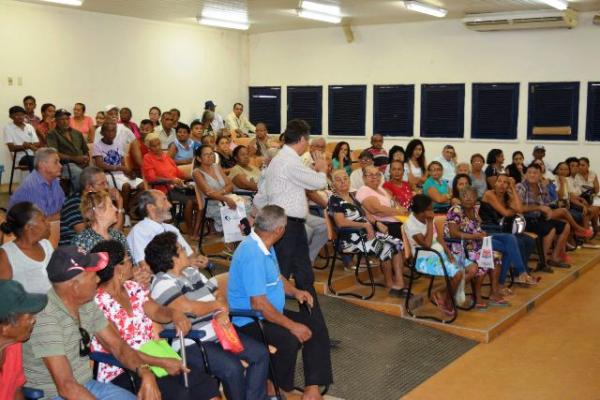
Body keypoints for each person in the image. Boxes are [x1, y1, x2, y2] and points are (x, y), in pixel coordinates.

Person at [253, 119, 333, 393]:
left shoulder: (280, 161)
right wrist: (321, 168)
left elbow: (262, 197)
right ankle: (296, 328)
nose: (308, 146)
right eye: (308, 141)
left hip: (289, 228)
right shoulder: (288, 160)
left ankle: (313, 325)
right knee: (282, 283)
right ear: (302, 139)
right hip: (287, 229)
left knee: (301, 282)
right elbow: (318, 181)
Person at [23, 246, 161, 399]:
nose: (98, 279)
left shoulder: (86, 304)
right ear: (75, 286)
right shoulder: (46, 319)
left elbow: (118, 346)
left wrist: (145, 372)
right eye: (93, 276)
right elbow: (66, 387)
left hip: (86, 385)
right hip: (54, 394)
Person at [89, 240, 220, 400]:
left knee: (206, 385)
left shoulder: (132, 288)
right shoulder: (96, 303)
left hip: (155, 354)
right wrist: (161, 362)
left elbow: (156, 311)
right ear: (119, 268)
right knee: (182, 394)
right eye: (128, 258)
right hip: (123, 369)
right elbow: (120, 350)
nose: (132, 262)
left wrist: (173, 314)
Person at [145, 232, 270, 400]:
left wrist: (220, 311)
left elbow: (219, 294)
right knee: (232, 368)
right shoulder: (162, 282)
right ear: (172, 258)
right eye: (181, 249)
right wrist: (217, 307)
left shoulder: (192, 272)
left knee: (260, 354)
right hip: (193, 341)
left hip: (221, 332)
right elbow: (188, 308)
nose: (186, 252)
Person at [228, 205, 331, 400]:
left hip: (268, 313)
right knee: (290, 339)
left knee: (315, 327)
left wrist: (295, 291)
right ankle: (275, 389)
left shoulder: (266, 245)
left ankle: (312, 388)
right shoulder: (252, 253)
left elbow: (276, 277)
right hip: (249, 320)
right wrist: (293, 326)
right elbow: (258, 304)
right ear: (279, 230)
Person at [445, 186, 537, 308]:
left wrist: (480, 234)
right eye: (464, 196)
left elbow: (476, 227)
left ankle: (495, 292)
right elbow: (453, 233)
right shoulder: (455, 210)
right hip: (461, 246)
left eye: (471, 196)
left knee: (502, 249)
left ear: (475, 198)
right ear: (460, 198)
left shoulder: (475, 208)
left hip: (477, 241)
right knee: (489, 257)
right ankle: (480, 295)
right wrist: (475, 236)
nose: (468, 199)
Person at [329, 170, 407, 296]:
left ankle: (399, 282)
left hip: (365, 235)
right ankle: (389, 283)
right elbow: (340, 222)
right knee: (386, 247)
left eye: (345, 178)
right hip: (350, 239)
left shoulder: (353, 197)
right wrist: (364, 225)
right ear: (333, 184)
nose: (343, 182)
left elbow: (366, 214)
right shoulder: (334, 200)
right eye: (339, 180)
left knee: (396, 243)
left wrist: (377, 224)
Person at [405, 194, 477, 316]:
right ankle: (448, 300)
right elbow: (427, 245)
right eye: (429, 209)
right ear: (422, 212)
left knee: (473, 268)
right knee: (457, 273)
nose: (432, 212)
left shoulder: (427, 217)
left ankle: (443, 293)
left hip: (439, 253)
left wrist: (449, 253)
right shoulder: (410, 224)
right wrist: (429, 222)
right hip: (424, 259)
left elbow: (438, 238)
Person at [127, 190, 208, 272]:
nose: (170, 205)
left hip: (184, 277)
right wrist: (186, 263)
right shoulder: (139, 232)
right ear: (151, 207)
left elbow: (190, 255)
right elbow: (146, 268)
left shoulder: (170, 228)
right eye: (164, 200)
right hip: (163, 281)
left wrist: (198, 260)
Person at [480, 174, 541, 280]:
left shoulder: (507, 196)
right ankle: (522, 272)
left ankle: (519, 272)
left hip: (503, 230)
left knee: (529, 241)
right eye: (499, 181)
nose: (502, 184)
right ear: (495, 183)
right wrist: (513, 210)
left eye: (505, 182)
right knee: (518, 242)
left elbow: (520, 209)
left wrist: (513, 188)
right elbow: (506, 213)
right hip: (488, 229)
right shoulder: (489, 194)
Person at [0, 280, 48, 400]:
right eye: (28, 316)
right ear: (5, 327)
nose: (33, 320)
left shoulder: (14, 344)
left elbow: (16, 389)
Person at [516, 164, 571, 268]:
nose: (532, 175)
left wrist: (549, 209)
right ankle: (543, 261)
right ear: (525, 174)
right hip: (524, 220)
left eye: (535, 173)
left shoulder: (542, 187)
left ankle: (554, 257)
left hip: (539, 218)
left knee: (565, 226)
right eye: (529, 172)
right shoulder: (520, 187)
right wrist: (538, 208)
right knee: (550, 229)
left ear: (540, 175)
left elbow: (546, 204)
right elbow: (519, 208)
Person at [142, 132, 195, 233]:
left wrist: (193, 176)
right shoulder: (147, 158)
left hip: (175, 186)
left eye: (159, 144)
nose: (158, 147)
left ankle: (183, 222)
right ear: (149, 147)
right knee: (189, 201)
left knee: (195, 196)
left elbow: (178, 172)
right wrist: (170, 180)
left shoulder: (165, 156)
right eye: (154, 146)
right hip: (162, 189)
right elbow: (151, 178)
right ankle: (190, 229)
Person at [93, 120, 144, 224]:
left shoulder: (118, 144)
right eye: (109, 131)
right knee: (126, 186)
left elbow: (122, 162)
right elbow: (100, 164)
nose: (112, 133)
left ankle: (128, 207)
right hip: (107, 175)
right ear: (102, 133)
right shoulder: (97, 145)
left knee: (144, 186)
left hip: (121, 174)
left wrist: (129, 173)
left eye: (114, 131)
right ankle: (124, 214)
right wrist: (120, 168)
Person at [60, 166, 124, 246]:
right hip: (75, 252)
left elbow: (117, 233)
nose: (107, 187)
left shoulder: (101, 201)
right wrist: (120, 205)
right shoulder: (74, 204)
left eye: (107, 183)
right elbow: (89, 238)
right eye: (102, 184)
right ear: (89, 187)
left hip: (100, 246)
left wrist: (119, 204)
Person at [0, 202, 52, 293]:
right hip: (28, 305)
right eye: (43, 220)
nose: (48, 224)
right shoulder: (7, 254)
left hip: (53, 301)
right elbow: (3, 294)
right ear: (29, 227)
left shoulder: (46, 244)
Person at [193, 145, 241, 232]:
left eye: (211, 154)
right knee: (234, 214)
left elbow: (230, 185)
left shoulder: (217, 167)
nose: (209, 156)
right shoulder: (197, 172)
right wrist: (225, 198)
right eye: (206, 155)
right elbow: (208, 193)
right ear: (199, 158)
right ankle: (231, 238)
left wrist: (220, 193)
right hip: (211, 203)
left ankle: (237, 238)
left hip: (225, 199)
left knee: (245, 208)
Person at [8, 147, 64, 221]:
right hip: (23, 230)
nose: (60, 166)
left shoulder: (54, 180)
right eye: (56, 162)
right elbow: (42, 221)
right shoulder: (32, 186)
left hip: (46, 225)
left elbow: (62, 206)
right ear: (42, 165)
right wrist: (66, 215)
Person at [357, 165, 408, 238]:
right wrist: (398, 211)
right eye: (371, 175)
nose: (375, 177)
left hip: (398, 220)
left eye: (377, 174)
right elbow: (378, 210)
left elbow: (393, 202)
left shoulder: (380, 188)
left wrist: (401, 209)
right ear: (364, 178)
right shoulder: (364, 190)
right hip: (385, 226)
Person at [73, 190, 130, 255]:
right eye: (111, 206)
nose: (115, 209)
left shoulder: (118, 235)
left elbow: (130, 261)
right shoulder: (82, 240)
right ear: (98, 211)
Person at [47, 108, 90, 192]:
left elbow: (85, 150)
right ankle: (76, 198)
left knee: (94, 174)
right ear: (56, 121)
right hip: (64, 165)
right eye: (62, 119)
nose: (65, 121)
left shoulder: (77, 133)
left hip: (82, 163)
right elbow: (54, 154)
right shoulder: (52, 134)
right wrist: (74, 159)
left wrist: (86, 160)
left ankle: (91, 198)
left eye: (67, 119)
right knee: (79, 173)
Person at [4, 105, 39, 171]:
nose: (20, 117)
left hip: (33, 155)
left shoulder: (29, 126)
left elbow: (37, 143)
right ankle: (36, 180)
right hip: (20, 158)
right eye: (17, 115)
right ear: (11, 116)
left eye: (22, 115)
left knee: (47, 159)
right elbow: (11, 148)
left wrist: (28, 145)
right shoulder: (8, 128)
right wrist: (27, 146)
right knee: (34, 161)